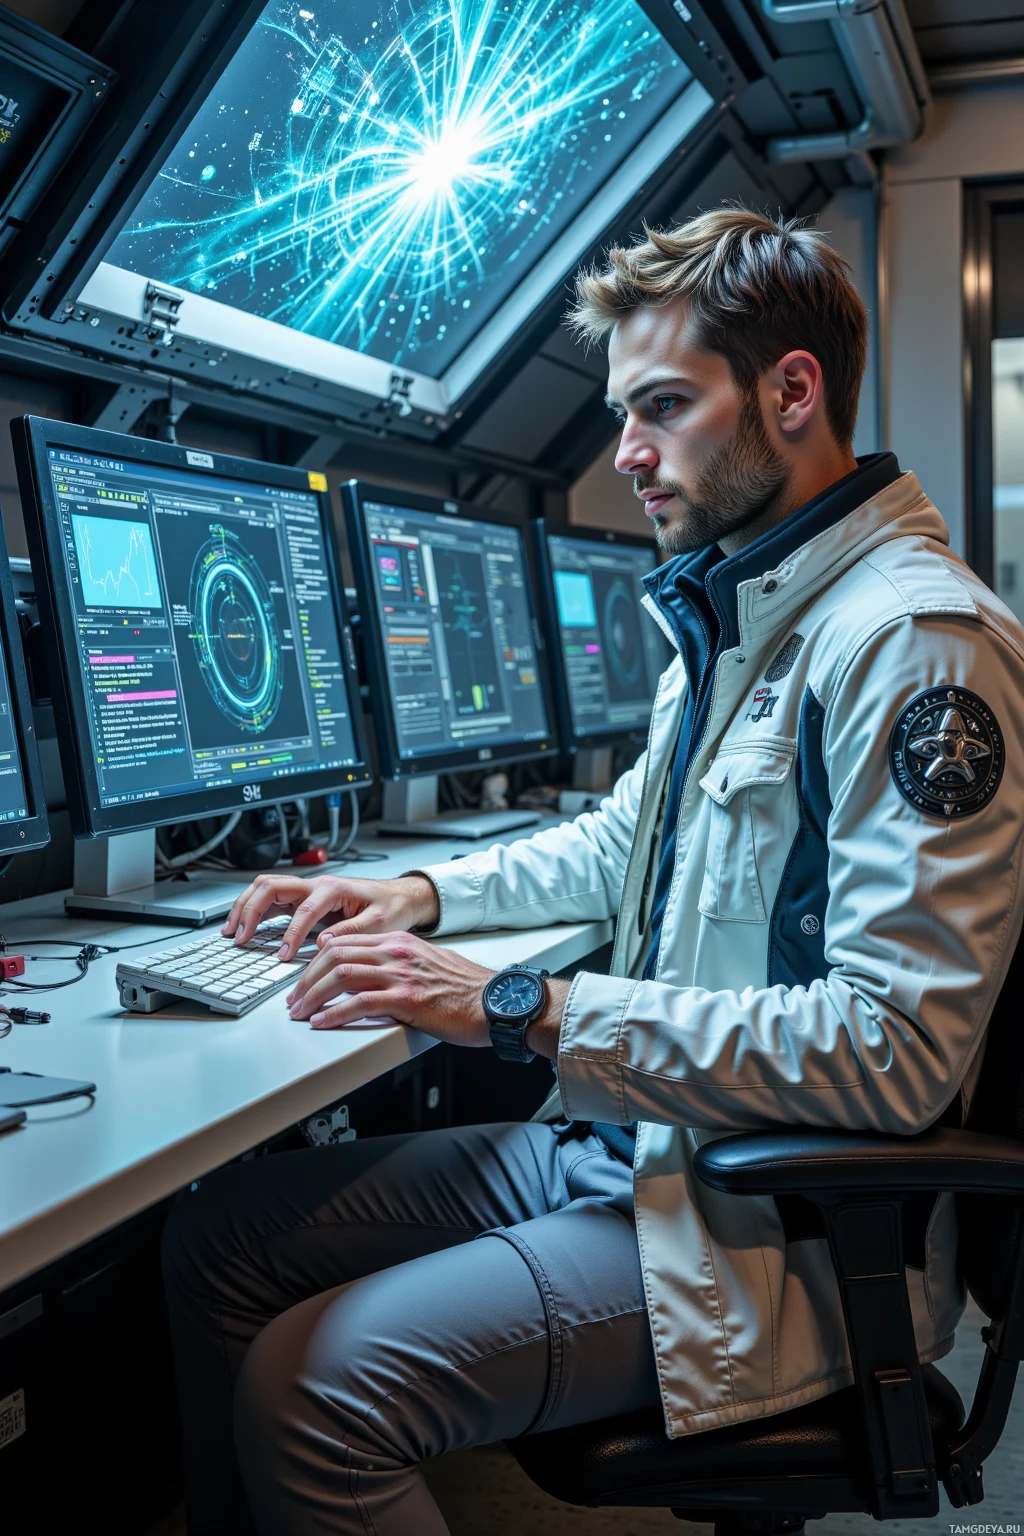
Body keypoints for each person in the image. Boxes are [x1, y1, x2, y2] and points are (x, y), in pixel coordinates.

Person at [162, 208, 1024, 1536]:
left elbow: (896, 1048)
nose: (626, 451)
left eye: (664, 406)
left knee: (312, 1389)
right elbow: (626, 841)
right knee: (218, 1238)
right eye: (624, 411)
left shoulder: (913, 643)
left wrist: (520, 1005)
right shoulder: (746, 608)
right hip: (646, 1148)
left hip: (772, 1232)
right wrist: (419, 899)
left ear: (793, 392)